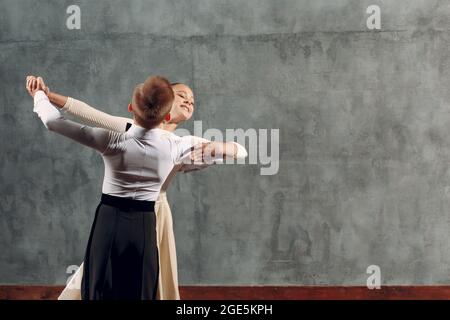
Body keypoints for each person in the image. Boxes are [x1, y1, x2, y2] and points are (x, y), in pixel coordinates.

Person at [29, 76, 247, 300]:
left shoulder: (116, 139)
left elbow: (54, 122)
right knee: (140, 281)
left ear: (133, 107)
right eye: (181, 95)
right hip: (145, 216)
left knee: (105, 278)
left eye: (192, 99)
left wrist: (38, 95)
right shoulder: (180, 144)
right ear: (167, 110)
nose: (189, 101)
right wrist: (47, 94)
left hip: (131, 213)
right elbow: (89, 112)